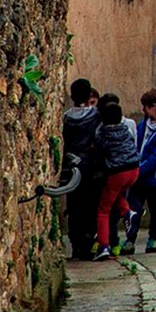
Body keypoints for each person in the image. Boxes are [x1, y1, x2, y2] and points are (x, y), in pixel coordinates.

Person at [124, 88, 156, 254]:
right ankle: (130, 238)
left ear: (154, 106)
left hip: (153, 177)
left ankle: (153, 238)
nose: (143, 110)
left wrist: (142, 168)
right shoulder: (143, 125)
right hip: (139, 174)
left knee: (155, 208)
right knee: (134, 207)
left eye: (146, 106)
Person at [93, 97, 140, 259]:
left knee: (103, 210)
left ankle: (103, 246)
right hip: (134, 170)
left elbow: (99, 153)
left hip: (118, 172)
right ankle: (127, 213)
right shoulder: (125, 130)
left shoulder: (103, 134)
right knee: (116, 193)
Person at [62, 79, 100, 260]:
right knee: (89, 206)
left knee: (74, 205)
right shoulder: (94, 115)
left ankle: (75, 243)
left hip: (71, 165)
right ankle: (87, 242)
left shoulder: (66, 117)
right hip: (88, 165)